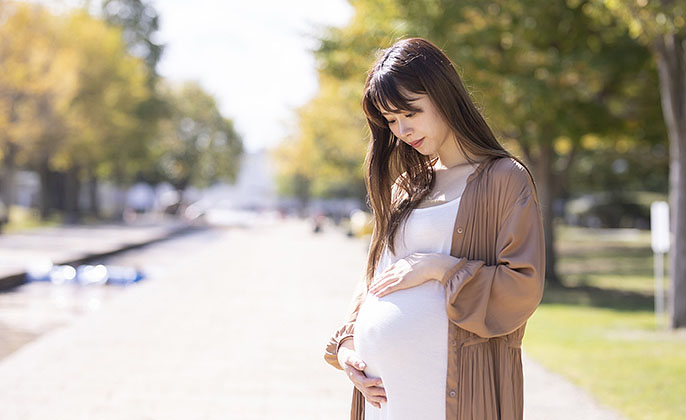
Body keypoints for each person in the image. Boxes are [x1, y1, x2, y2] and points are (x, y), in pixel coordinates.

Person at [323, 37, 546, 420]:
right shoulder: (405, 186)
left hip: (451, 398)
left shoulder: (505, 180)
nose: (402, 130)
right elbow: (374, 276)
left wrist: (439, 268)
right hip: (384, 400)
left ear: (443, 96)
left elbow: (522, 287)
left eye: (410, 113)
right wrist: (348, 347)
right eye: (391, 121)